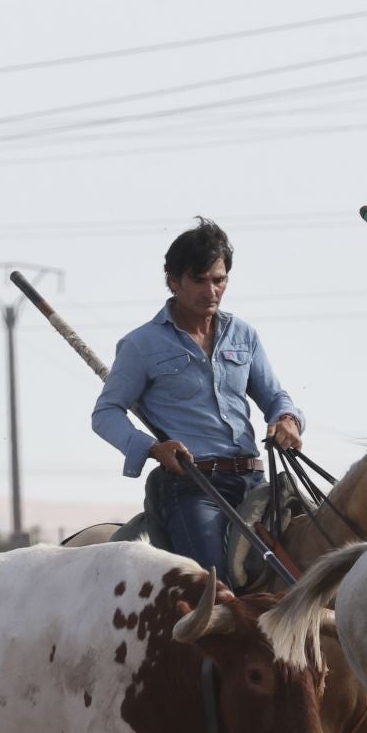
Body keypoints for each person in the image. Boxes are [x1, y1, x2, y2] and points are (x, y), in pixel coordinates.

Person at [92, 217, 305, 578]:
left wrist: (287, 419)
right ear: (173, 281)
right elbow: (106, 413)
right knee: (214, 589)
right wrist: (151, 448)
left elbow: (275, 396)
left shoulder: (243, 335)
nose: (211, 291)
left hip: (255, 481)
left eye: (219, 280)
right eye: (198, 280)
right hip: (193, 488)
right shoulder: (141, 345)